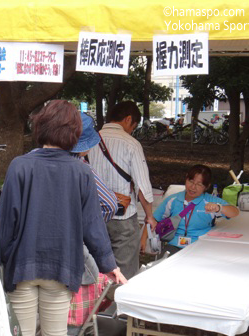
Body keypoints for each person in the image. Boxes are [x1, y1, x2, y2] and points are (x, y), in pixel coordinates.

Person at [0, 100, 126, 336]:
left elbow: (5, 222)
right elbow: (92, 225)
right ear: (74, 133)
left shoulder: (19, 166)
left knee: (22, 333)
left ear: (40, 127)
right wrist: (109, 265)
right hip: (62, 266)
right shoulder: (81, 171)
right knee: (56, 333)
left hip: (22, 267)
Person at [89, 101, 157, 279]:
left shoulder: (90, 141)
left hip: (94, 215)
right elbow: (143, 186)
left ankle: (99, 304)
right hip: (123, 217)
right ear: (128, 119)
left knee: (96, 268)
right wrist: (149, 216)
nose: (132, 131)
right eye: (133, 126)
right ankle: (118, 304)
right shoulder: (131, 144)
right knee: (125, 271)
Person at [68, 112, 121, 335]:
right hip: (75, 252)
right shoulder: (82, 169)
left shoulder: (29, 163)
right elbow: (109, 203)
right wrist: (89, 223)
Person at [143, 164, 239, 255]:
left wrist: (219, 208)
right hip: (173, 245)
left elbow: (234, 212)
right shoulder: (173, 200)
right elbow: (153, 220)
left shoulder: (210, 201)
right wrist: (142, 241)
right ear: (186, 178)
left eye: (199, 184)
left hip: (200, 246)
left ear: (207, 186)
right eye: (191, 181)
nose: (193, 187)